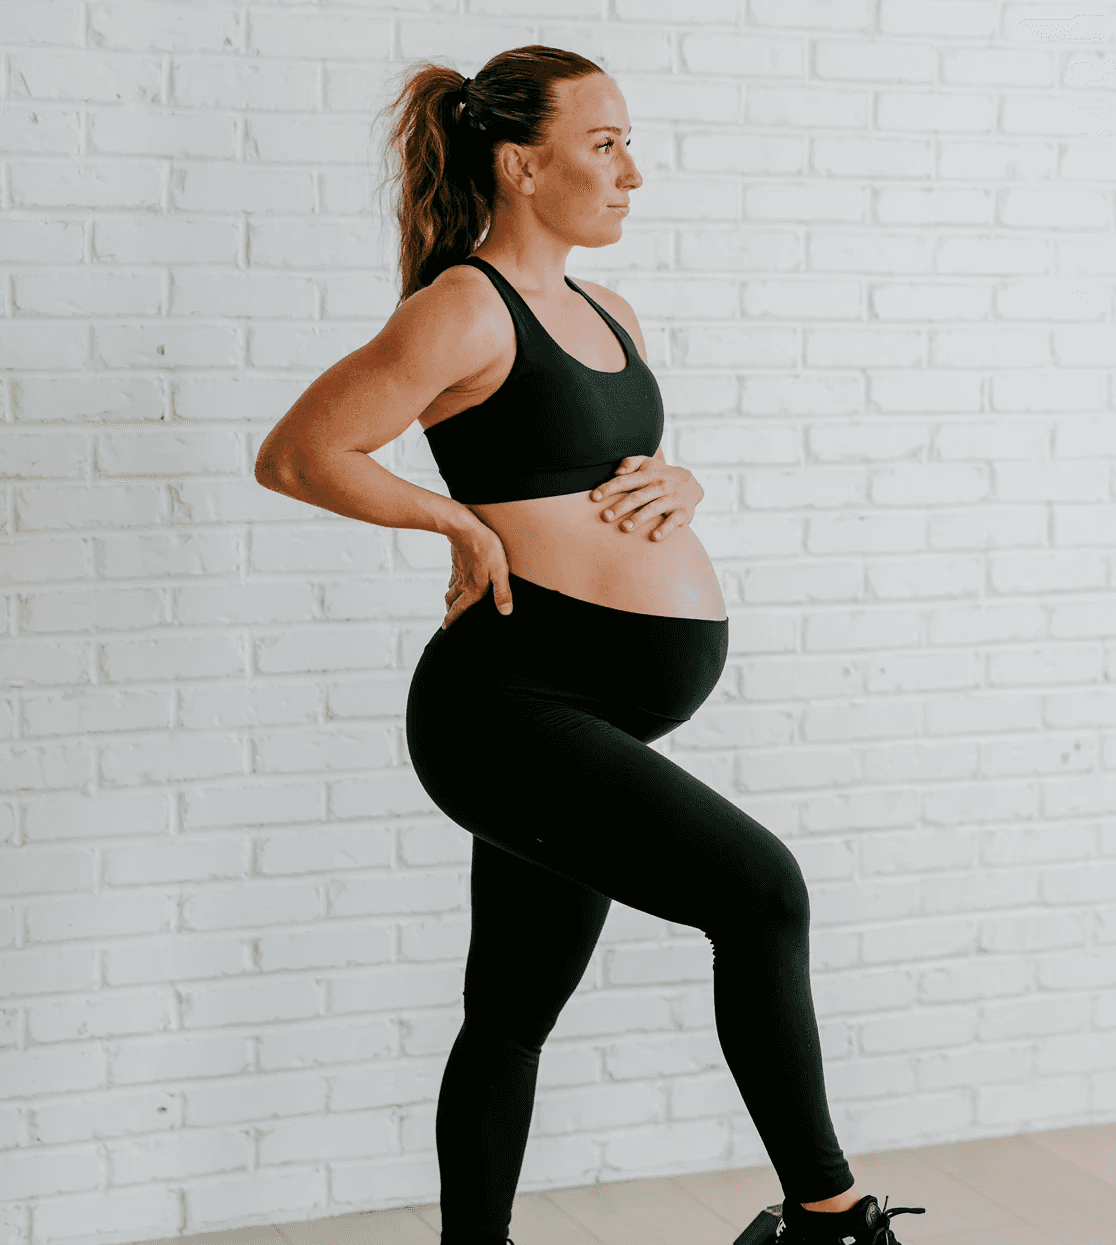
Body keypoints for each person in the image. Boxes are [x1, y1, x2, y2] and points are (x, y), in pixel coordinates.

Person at [254, 44, 925, 1245]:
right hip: (503, 705)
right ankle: (828, 1219)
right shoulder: (463, 304)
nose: (632, 173)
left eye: (629, 144)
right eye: (605, 144)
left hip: (590, 712)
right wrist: (450, 519)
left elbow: (594, 476)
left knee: (511, 1013)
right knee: (762, 895)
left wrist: (683, 485)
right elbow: (302, 453)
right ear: (521, 164)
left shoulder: (610, 310)